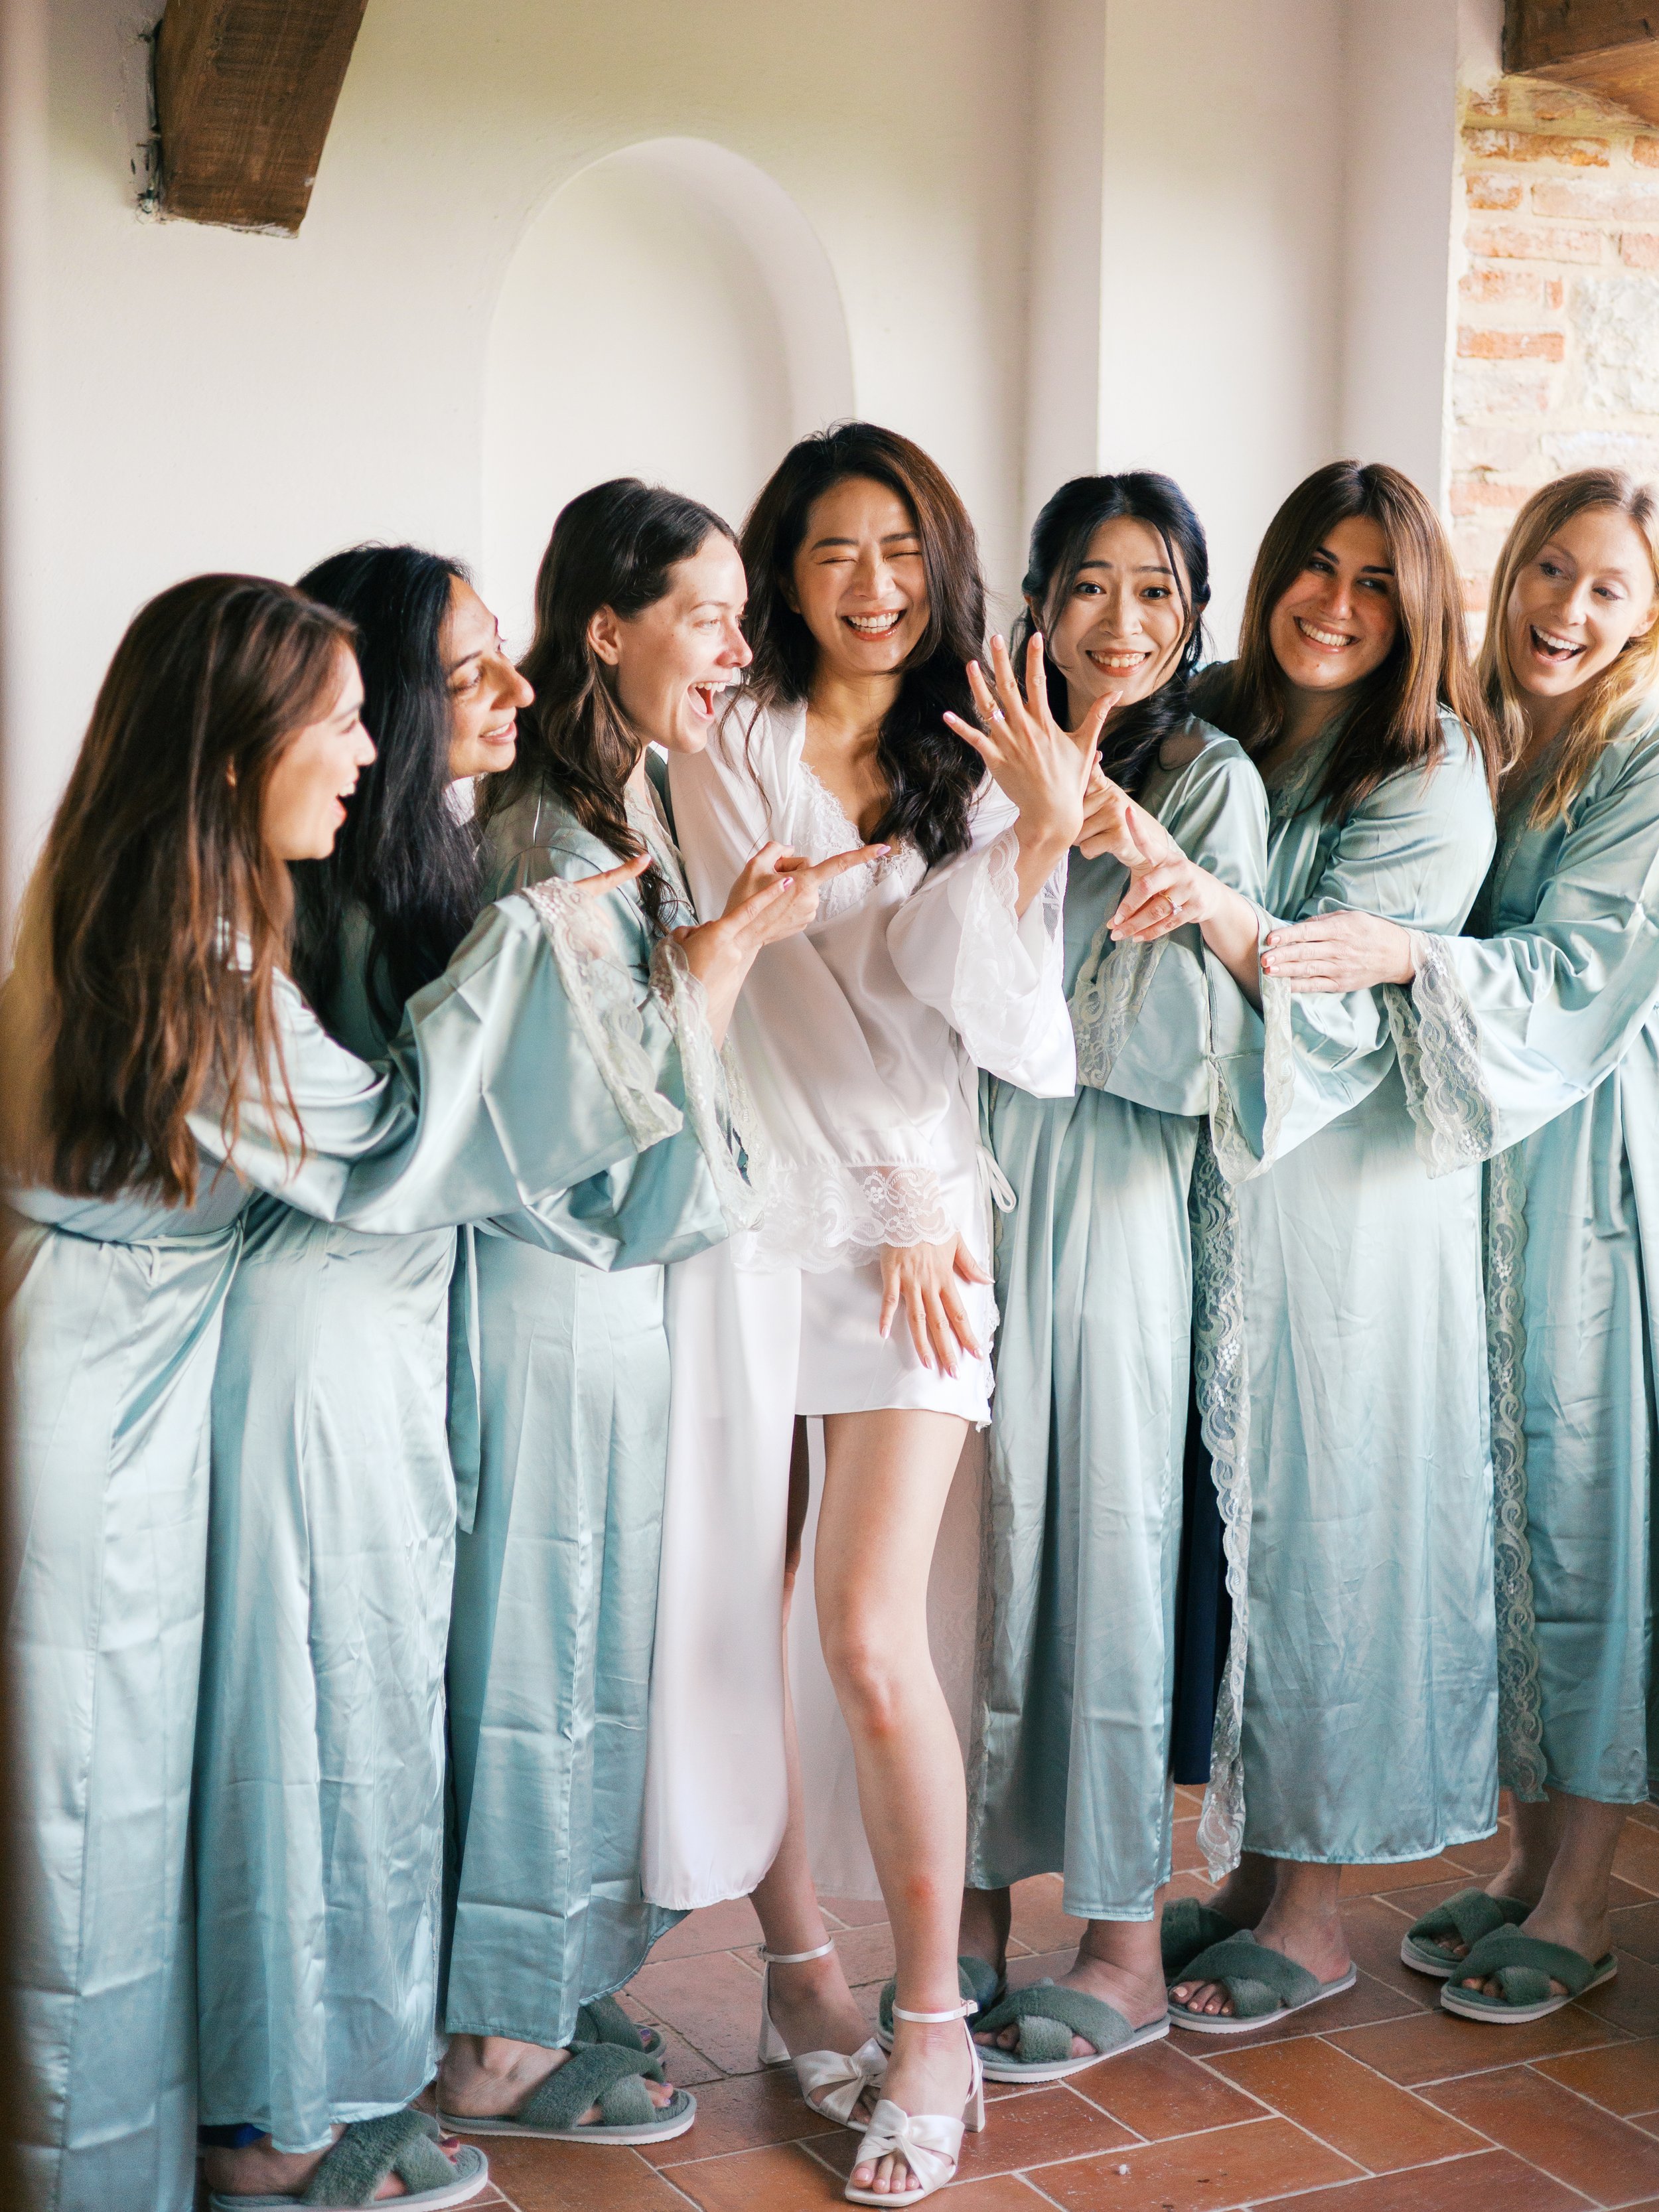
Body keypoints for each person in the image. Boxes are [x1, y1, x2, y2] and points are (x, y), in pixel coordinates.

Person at [3, 572, 769, 2212]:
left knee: (131, 1809)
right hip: (109, 1406)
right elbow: (387, 1141)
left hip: (121, 1373)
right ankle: (201, 2150)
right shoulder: (193, 943)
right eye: (343, 720)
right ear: (228, 751)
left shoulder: (173, 900)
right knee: (97, 1813)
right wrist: (538, 944)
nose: (368, 756)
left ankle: (189, 2136)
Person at [660, 423, 1093, 2205]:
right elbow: (763, 981)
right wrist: (887, 1189)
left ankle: (928, 2020)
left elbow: (979, 1011)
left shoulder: (982, 751)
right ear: (780, 569)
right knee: (737, 1616)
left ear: (943, 561)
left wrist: (1041, 830)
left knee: (862, 1626)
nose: (871, 584)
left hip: (919, 1234)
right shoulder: (728, 740)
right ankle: (797, 1973)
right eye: (832, 551)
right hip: (761, 1219)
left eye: (899, 548)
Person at [436, 480, 875, 2148]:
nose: (739, 646)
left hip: (619, 1300)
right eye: (708, 613)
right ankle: (492, 2046)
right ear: (604, 629)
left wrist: (713, 946)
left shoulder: (618, 791)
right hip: (555, 1300)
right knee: (533, 1653)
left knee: (587, 1644)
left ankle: (542, 1983)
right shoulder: (551, 832)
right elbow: (572, 1107)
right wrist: (720, 959)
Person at [1101, 462, 1502, 2033]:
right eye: (1311, 567)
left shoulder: (1430, 771)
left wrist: (1196, 895)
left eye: (1373, 581)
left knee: (1330, 1524)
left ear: (1417, 610)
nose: (1333, 602)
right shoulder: (1224, 715)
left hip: (1349, 1211)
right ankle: (1262, 1867)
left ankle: (1320, 1910)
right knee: (1240, 1527)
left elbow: (1321, 995)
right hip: (1220, 1188)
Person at [1258, 468, 1659, 2024]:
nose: (1566, 609)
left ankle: (1582, 1888)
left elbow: (1579, 967)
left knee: (1585, 1502)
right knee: (1499, 1504)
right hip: (1460, 1153)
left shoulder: (1640, 753)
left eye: (1606, 589)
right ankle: (1519, 1855)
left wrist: (1413, 951)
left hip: (1582, 1164)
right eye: (1549, 570)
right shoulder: (1479, 722)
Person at [957, 473, 1268, 2077]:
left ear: (1193, 614)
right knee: (968, 1553)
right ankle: (964, 1902)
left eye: (1157, 592)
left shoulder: (1205, 778)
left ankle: (1125, 1934)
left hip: (1114, 1180)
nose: (1122, 623)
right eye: (1089, 586)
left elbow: (1176, 1033)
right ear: (1035, 595)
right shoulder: (973, 740)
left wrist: (1095, 823)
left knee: (1106, 1532)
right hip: (967, 1172)